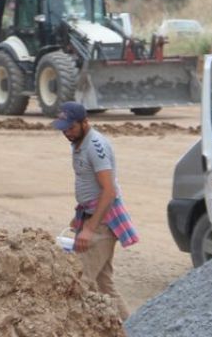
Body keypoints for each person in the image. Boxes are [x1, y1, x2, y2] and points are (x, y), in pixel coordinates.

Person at [53, 102, 138, 320]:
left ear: (84, 122)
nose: (66, 133)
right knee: (103, 284)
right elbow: (89, 184)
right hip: (91, 216)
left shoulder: (95, 147)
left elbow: (109, 191)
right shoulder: (79, 141)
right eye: (63, 128)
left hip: (102, 223)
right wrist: (79, 216)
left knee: (79, 281)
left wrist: (89, 229)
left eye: (70, 128)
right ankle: (131, 329)